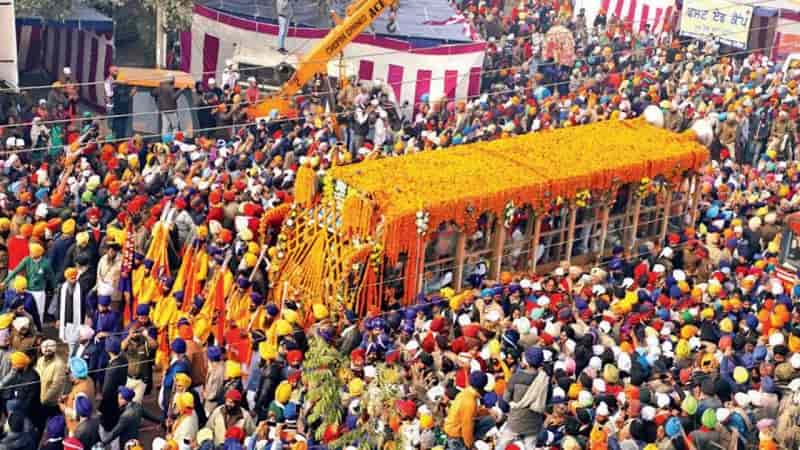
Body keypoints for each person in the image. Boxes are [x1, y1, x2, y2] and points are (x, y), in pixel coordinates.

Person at [444, 371, 496, 449]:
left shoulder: (466, 393)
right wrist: (471, 446)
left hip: (455, 431)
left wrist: (486, 411)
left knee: (490, 420)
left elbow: (473, 413)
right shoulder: (470, 402)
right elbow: (467, 429)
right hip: (456, 437)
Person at [35, 339, 68, 421]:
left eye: (49, 350)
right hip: (40, 399)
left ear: (54, 350)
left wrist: (44, 399)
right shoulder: (40, 360)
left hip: (52, 402)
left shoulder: (59, 364)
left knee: (54, 423)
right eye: (45, 350)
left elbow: (56, 386)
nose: (47, 351)